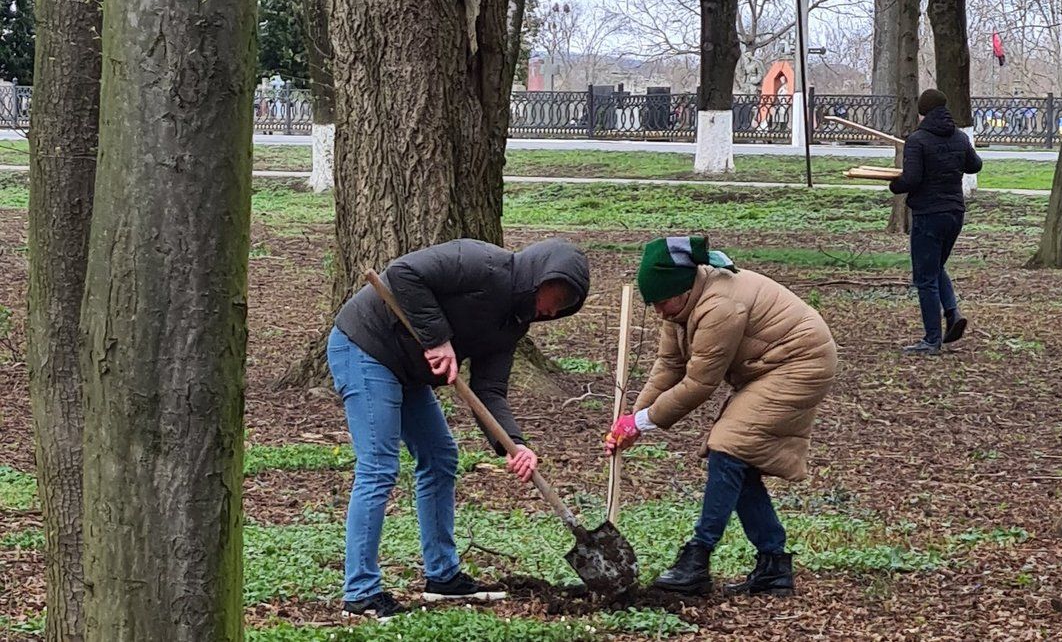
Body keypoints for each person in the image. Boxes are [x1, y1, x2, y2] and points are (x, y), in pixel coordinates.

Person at [329, 238, 590, 618]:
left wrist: (515, 445)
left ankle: (443, 577)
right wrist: (438, 340)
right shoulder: (480, 263)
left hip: (409, 369)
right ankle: (361, 592)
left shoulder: (512, 327)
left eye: (562, 307)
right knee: (380, 466)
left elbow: (490, 391)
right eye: (552, 297)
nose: (549, 312)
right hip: (366, 346)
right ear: (537, 277)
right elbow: (403, 273)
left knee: (440, 457)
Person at [606, 236, 837, 596]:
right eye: (654, 305)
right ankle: (773, 564)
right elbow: (670, 365)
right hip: (765, 367)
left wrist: (642, 422)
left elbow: (699, 383)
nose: (660, 313)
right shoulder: (679, 306)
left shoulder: (719, 305)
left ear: (682, 289)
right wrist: (633, 421)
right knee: (736, 457)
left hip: (800, 362)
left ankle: (697, 559)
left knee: (728, 448)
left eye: (663, 303)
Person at [889, 89, 984, 355]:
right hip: (955, 214)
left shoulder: (917, 140)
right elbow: (974, 165)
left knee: (925, 277)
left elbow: (912, 179)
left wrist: (895, 185)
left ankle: (932, 340)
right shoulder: (960, 137)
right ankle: (952, 314)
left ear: (922, 112)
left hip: (928, 215)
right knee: (936, 266)